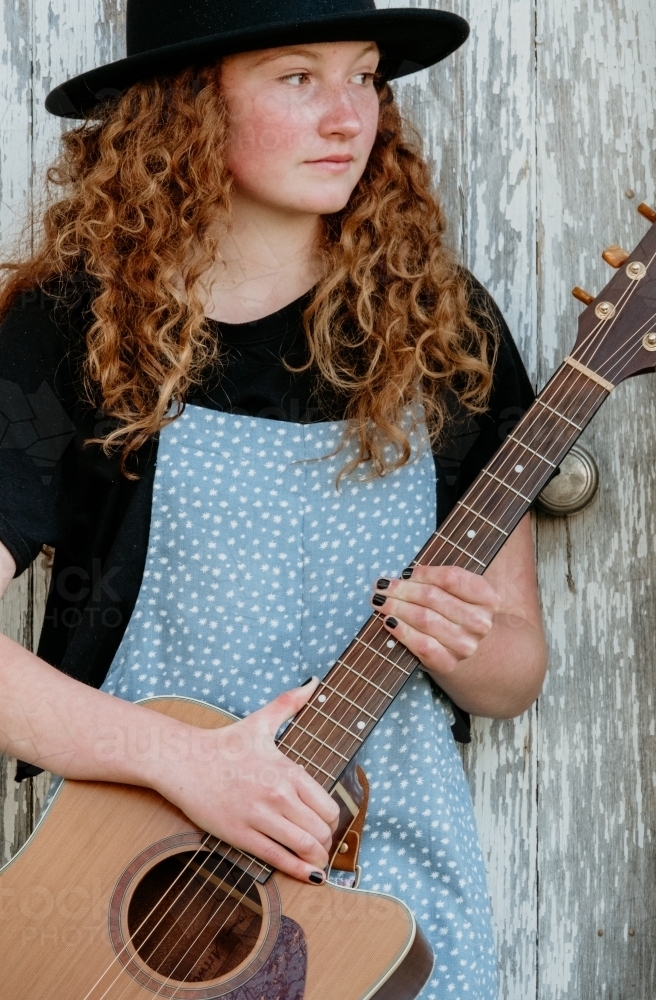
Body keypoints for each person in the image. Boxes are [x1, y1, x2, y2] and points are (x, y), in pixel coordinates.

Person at [0, 1, 547, 997]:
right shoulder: (73, 325)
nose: (349, 115)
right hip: (136, 899)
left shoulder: (440, 322)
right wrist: (188, 761)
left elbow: (512, 675)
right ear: (183, 108)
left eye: (364, 73)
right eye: (298, 77)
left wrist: (466, 645)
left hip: (382, 891)